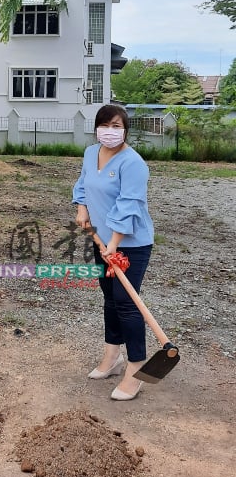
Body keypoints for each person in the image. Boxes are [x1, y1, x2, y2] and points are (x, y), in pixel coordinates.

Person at [73, 104, 154, 401]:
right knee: (110, 298)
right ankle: (112, 357)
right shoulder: (90, 153)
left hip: (131, 244)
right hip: (102, 241)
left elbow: (129, 205)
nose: (110, 131)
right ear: (96, 128)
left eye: (116, 126)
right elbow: (83, 184)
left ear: (125, 130)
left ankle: (136, 368)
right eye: (105, 125)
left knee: (126, 303)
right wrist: (82, 208)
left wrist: (115, 243)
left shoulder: (133, 163)